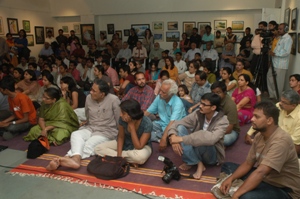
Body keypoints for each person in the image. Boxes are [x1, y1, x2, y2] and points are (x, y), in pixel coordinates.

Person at [220, 101, 300, 199]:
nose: (252, 119)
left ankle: (244, 189)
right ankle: (247, 186)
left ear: (269, 120)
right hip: (265, 179)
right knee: (227, 167)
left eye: (257, 117)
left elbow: (261, 172)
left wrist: (236, 195)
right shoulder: (259, 136)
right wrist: (231, 179)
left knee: (246, 197)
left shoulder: (281, 141)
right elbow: (248, 163)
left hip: (283, 189)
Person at [45, 79, 120, 171]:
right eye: (91, 89)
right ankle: (75, 160)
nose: (90, 92)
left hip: (106, 131)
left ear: (102, 94)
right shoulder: (88, 98)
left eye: (94, 91)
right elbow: (88, 115)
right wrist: (86, 124)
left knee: (89, 143)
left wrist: (118, 136)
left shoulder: (114, 100)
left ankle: (63, 159)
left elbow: (119, 120)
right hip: (91, 127)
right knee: (76, 134)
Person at [168, 93, 229, 179]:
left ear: (213, 108)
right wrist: (172, 136)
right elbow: (177, 123)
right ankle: (198, 163)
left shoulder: (223, 121)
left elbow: (211, 139)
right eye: (201, 103)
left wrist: (180, 139)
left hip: (211, 155)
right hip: (196, 146)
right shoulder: (198, 114)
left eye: (204, 105)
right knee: (180, 128)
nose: (200, 106)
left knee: (204, 138)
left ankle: (192, 160)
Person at [95, 99, 153, 166]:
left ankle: (114, 157)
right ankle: (127, 160)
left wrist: (131, 126)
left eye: (123, 113)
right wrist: (119, 156)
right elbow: (121, 137)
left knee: (140, 157)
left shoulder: (147, 123)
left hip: (142, 147)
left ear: (131, 114)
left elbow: (138, 146)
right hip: (126, 143)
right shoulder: (122, 119)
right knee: (98, 149)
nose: (120, 114)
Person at [245, 90, 300, 155]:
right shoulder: (278, 106)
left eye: (284, 102)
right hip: (274, 137)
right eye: (281, 100)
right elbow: (261, 118)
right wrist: (249, 133)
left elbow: (295, 143)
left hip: (288, 143)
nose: (280, 103)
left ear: (293, 106)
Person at [145, 79, 186, 151]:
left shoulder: (178, 103)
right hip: (161, 124)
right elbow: (148, 112)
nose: (160, 93)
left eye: (163, 92)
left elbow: (172, 124)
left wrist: (164, 138)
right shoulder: (159, 97)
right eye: (160, 90)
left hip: (174, 127)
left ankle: (160, 137)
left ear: (171, 94)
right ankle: (160, 137)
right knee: (145, 126)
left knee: (145, 134)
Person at [0, 76, 37, 140]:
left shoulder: (22, 98)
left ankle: (14, 132)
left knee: (11, 127)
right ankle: (10, 132)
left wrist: (9, 123)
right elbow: (15, 114)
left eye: (1, 89)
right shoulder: (10, 98)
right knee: (3, 123)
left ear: (6, 90)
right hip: (19, 119)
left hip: (29, 121)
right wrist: (3, 122)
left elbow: (26, 119)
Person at [267, 23, 293, 99]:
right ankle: (272, 95)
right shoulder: (280, 38)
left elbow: (286, 52)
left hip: (281, 64)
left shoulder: (288, 39)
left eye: (280, 29)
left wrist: (274, 53)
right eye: (278, 29)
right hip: (274, 62)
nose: (279, 30)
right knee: (269, 77)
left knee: (279, 82)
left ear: (285, 29)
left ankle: (277, 97)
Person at [211, 81, 240, 147]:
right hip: (215, 126)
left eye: (218, 92)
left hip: (231, 130)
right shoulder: (212, 100)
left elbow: (229, 129)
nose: (215, 95)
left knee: (225, 140)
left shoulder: (230, 105)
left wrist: (213, 134)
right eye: (213, 93)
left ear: (224, 92)